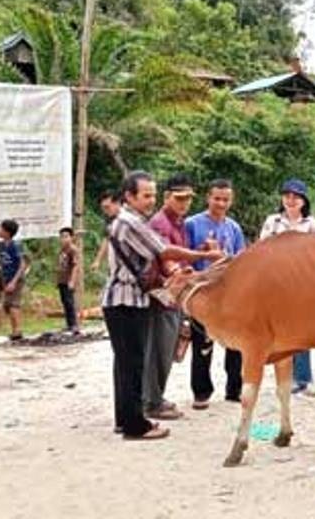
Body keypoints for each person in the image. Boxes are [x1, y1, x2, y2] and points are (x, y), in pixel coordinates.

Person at [103, 170, 221, 440]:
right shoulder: (131, 223)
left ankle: (126, 418)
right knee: (133, 362)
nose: (150, 200)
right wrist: (205, 254)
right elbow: (163, 252)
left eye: (153, 195)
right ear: (129, 196)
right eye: (146, 195)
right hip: (126, 300)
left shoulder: (134, 220)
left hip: (128, 299)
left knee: (126, 362)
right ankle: (136, 424)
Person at [185, 179, 248, 409]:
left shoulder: (234, 227)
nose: (221, 203)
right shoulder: (192, 224)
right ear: (208, 198)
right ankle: (201, 392)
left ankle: (235, 389)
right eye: (217, 198)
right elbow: (184, 256)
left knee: (236, 344)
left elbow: (242, 258)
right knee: (202, 343)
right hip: (202, 292)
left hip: (230, 292)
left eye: (225, 199)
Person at [259, 178, 315, 394]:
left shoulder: (312, 224)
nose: (291, 200)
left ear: (304, 200)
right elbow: (262, 249)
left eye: (296, 196)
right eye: (287, 195)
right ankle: (286, 376)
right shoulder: (273, 221)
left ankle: (303, 377)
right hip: (276, 283)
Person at [143, 174, 196, 421]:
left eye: (188, 199)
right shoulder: (160, 223)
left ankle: (155, 397)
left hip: (175, 293)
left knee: (168, 347)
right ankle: (151, 401)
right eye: (179, 198)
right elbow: (164, 256)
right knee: (159, 348)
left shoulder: (179, 222)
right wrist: (176, 271)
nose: (184, 203)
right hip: (162, 293)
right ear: (167, 197)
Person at [0, 219, 29, 341]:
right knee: (7, 305)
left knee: (13, 304)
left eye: (1, 229)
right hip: (7, 278)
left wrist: (14, 282)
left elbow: (22, 264)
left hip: (16, 279)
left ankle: (17, 331)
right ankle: (14, 329)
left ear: (7, 232)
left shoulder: (15, 245)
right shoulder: (3, 245)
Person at [56, 227, 79, 334]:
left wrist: (72, 281)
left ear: (71, 237)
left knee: (70, 302)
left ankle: (74, 325)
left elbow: (75, 266)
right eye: (61, 237)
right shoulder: (61, 250)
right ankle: (69, 324)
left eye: (66, 237)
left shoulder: (73, 250)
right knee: (65, 302)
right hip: (62, 280)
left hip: (69, 280)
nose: (63, 239)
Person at [91, 191, 121, 272]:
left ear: (117, 203)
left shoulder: (129, 221)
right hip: (114, 266)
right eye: (103, 208)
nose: (105, 211)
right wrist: (98, 261)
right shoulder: (110, 220)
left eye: (107, 207)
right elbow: (107, 239)